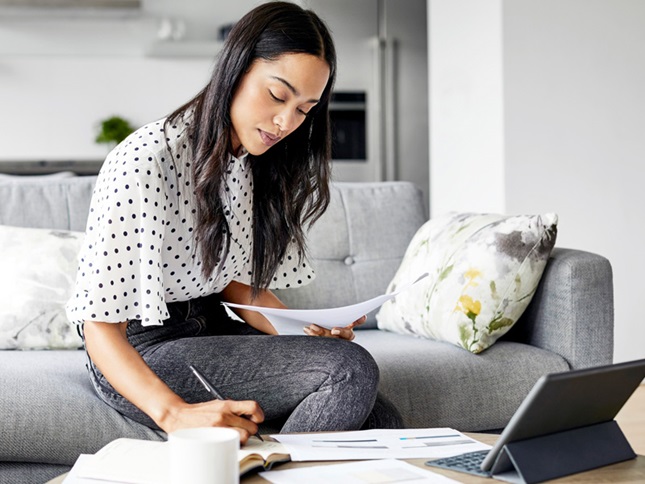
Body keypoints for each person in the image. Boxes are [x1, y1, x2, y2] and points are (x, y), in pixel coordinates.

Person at [66, 1, 402, 444]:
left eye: (305, 109)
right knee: (350, 371)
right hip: (139, 352)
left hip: (210, 329)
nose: (286, 122)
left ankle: (267, 463)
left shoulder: (252, 161)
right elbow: (99, 325)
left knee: (380, 418)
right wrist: (174, 414)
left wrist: (308, 331)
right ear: (236, 69)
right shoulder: (147, 159)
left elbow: (236, 286)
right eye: (278, 95)